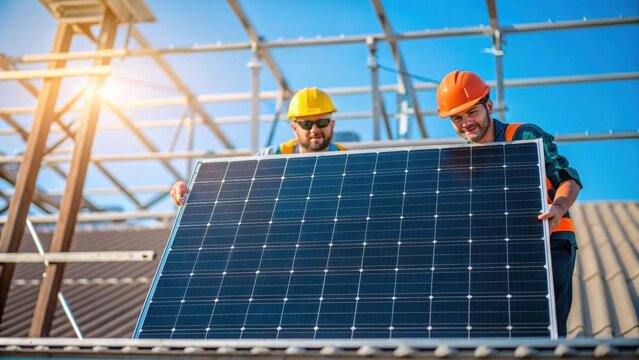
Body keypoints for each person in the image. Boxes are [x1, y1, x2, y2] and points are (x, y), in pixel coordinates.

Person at [436, 70, 582, 337]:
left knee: (544, 332)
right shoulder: (464, 163)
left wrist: (558, 209)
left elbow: (567, 179)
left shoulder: (523, 136)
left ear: (488, 106)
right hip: (496, 253)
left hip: (549, 243)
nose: (466, 123)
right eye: (456, 118)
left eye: (472, 112)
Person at [170, 87, 347, 205]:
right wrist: (188, 188)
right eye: (307, 124)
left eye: (322, 122)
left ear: (332, 125)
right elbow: (229, 185)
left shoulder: (349, 160)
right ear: (294, 128)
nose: (315, 130)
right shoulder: (272, 157)